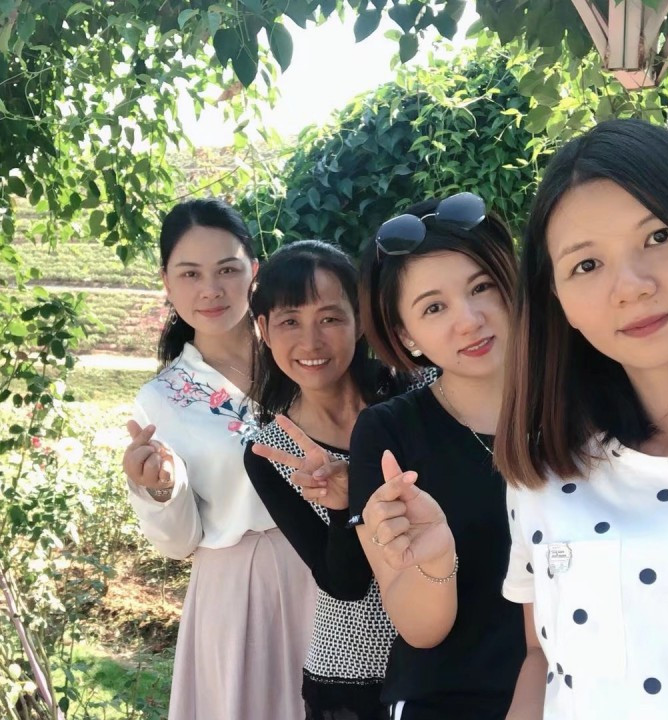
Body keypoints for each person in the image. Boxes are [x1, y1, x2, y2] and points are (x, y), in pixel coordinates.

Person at [495, 118, 668, 720]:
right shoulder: (544, 471)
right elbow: (542, 655)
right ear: (557, 299)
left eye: (658, 235)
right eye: (586, 265)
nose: (630, 287)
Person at [121, 198, 316, 720]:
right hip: (237, 593)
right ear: (166, 282)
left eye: (227, 269)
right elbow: (178, 542)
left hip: (332, 570)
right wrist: (160, 488)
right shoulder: (162, 399)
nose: (211, 289)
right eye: (190, 273)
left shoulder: (304, 353)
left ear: (254, 271)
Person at [348, 194, 526, 719]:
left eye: (481, 287)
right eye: (434, 307)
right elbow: (419, 630)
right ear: (406, 334)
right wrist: (434, 560)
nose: (468, 320)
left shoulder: (590, 406)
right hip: (451, 701)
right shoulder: (388, 435)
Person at [243, 240, 430, 720]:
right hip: (354, 673)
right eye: (290, 321)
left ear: (360, 320)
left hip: (455, 653)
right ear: (263, 329)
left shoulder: (419, 395)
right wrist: (343, 506)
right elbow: (343, 584)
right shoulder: (270, 451)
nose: (311, 342)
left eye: (329, 318)